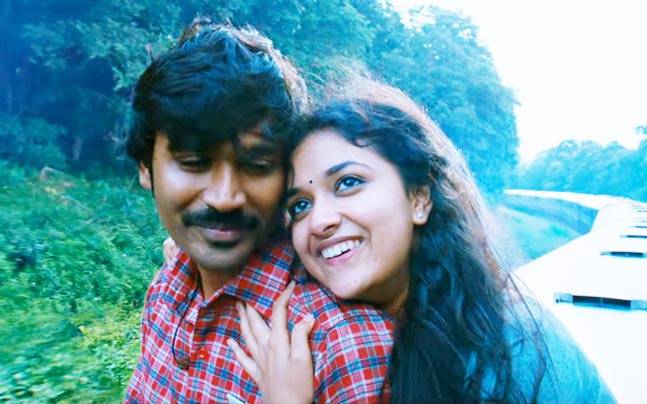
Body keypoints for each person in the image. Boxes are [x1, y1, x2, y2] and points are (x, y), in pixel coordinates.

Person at [226, 77, 615, 403]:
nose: (319, 221)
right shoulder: (335, 327)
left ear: (418, 199)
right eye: (299, 205)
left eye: (347, 183)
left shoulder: (508, 349)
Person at [125, 19, 394, 403]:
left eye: (256, 165)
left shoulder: (340, 345)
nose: (225, 198)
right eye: (194, 161)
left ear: (287, 176)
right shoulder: (168, 288)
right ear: (145, 167)